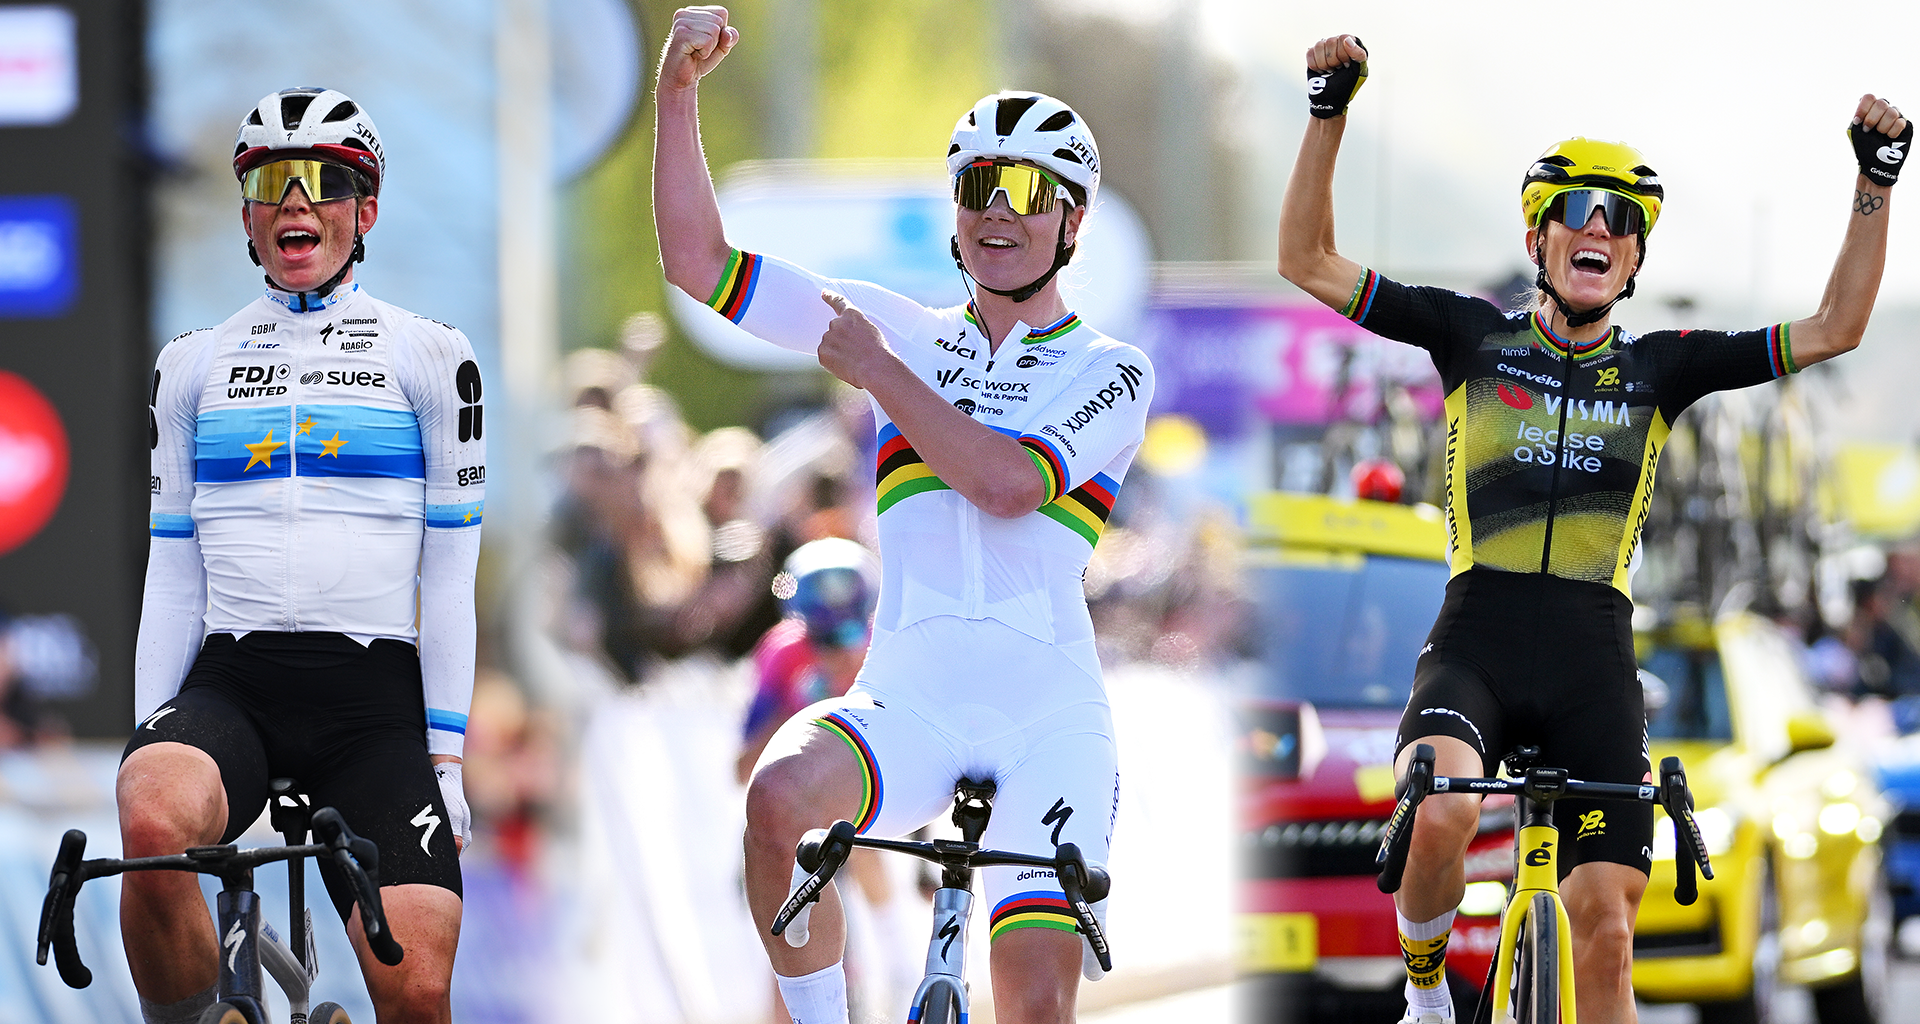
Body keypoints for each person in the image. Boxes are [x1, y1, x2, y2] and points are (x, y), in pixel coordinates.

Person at [1278, 35, 1907, 1024]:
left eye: (1622, 220)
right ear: (1539, 238)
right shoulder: (1470, 335)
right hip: (1477, 638)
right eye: (1575, 210)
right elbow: (1306, 260)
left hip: (1592, 657)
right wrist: (1328, 113)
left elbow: (1837, 327)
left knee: (1607, 929)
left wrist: (1874, 182)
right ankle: (1427, 989)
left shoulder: (1663, 368)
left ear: (1635, 258)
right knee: (1437, 811)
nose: (1598, 228)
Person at [653, 8, 1154, 1023]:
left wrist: (881, 374)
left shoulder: (1111, 369)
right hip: (908, 695)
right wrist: (677, 92)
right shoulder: (903, 328)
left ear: (1074, 223)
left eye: (1031, 193)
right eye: (979, 186)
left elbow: (1009, 486)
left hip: (1047, 718)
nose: (999, 212)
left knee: (1034, 1001)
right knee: (776, 800)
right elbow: (700, 265)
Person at [121, 86, 483, 1024]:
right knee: (150, 816)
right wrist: (145, 736)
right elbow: (174, 573)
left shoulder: (430, 355)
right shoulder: (191, 363)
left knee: (419, 991)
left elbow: (451, 575)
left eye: (323, 182)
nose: (296, 202)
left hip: (374, 704)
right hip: (235, 682)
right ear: (246, 214)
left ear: (366, 211)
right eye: (272, 180)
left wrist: (447, 761)